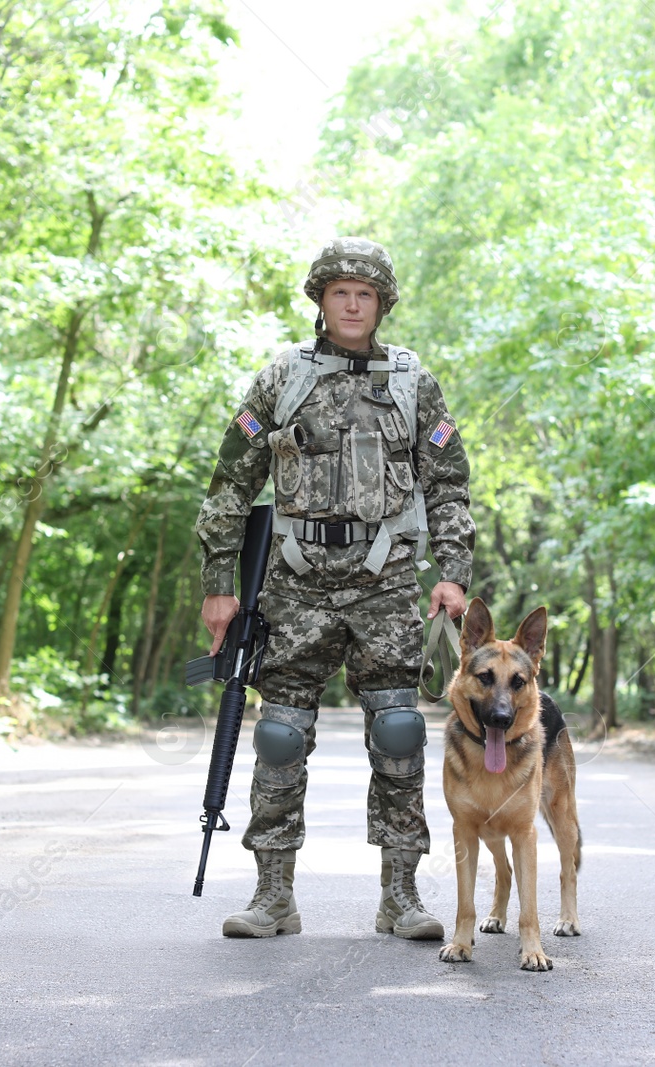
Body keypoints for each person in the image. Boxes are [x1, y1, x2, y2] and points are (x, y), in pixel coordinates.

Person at [195, 236, 474, 939]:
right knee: (282, 735)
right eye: (340, 292)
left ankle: (402, 895)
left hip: (385, 581)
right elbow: (230, 481)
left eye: (366, 293)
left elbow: (449, 484)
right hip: (294, 582)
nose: (353, 304)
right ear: (321, 299)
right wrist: (219, 582)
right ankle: (272, 894)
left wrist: (452, 573)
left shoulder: (414, 382)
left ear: (382, 304)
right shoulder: (283, 376)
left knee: (400, 729)